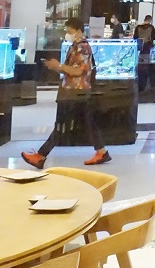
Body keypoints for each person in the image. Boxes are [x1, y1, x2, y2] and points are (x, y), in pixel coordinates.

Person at [22, 16, 110, 168]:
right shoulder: (75, 46)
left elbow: (79, 71)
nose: (67, 34)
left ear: (78, 30)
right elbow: (71, 70)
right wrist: (56, 67)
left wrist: (59, 66)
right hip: (74, 91)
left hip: (76, 92)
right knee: (87, 122)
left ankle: (41, 156)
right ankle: (101, 152)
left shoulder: (82, 47)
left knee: (62, 125)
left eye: (69, 31)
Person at [134, 14, 155, 95]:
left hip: (139, 50)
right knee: (146, 67)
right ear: (150, 20)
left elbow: (135, 37)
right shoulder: (151, 28)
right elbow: (154, 37)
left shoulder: (138, 27)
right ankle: (146, 86)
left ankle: (139, 85)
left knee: (139, 67)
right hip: (148, 49)